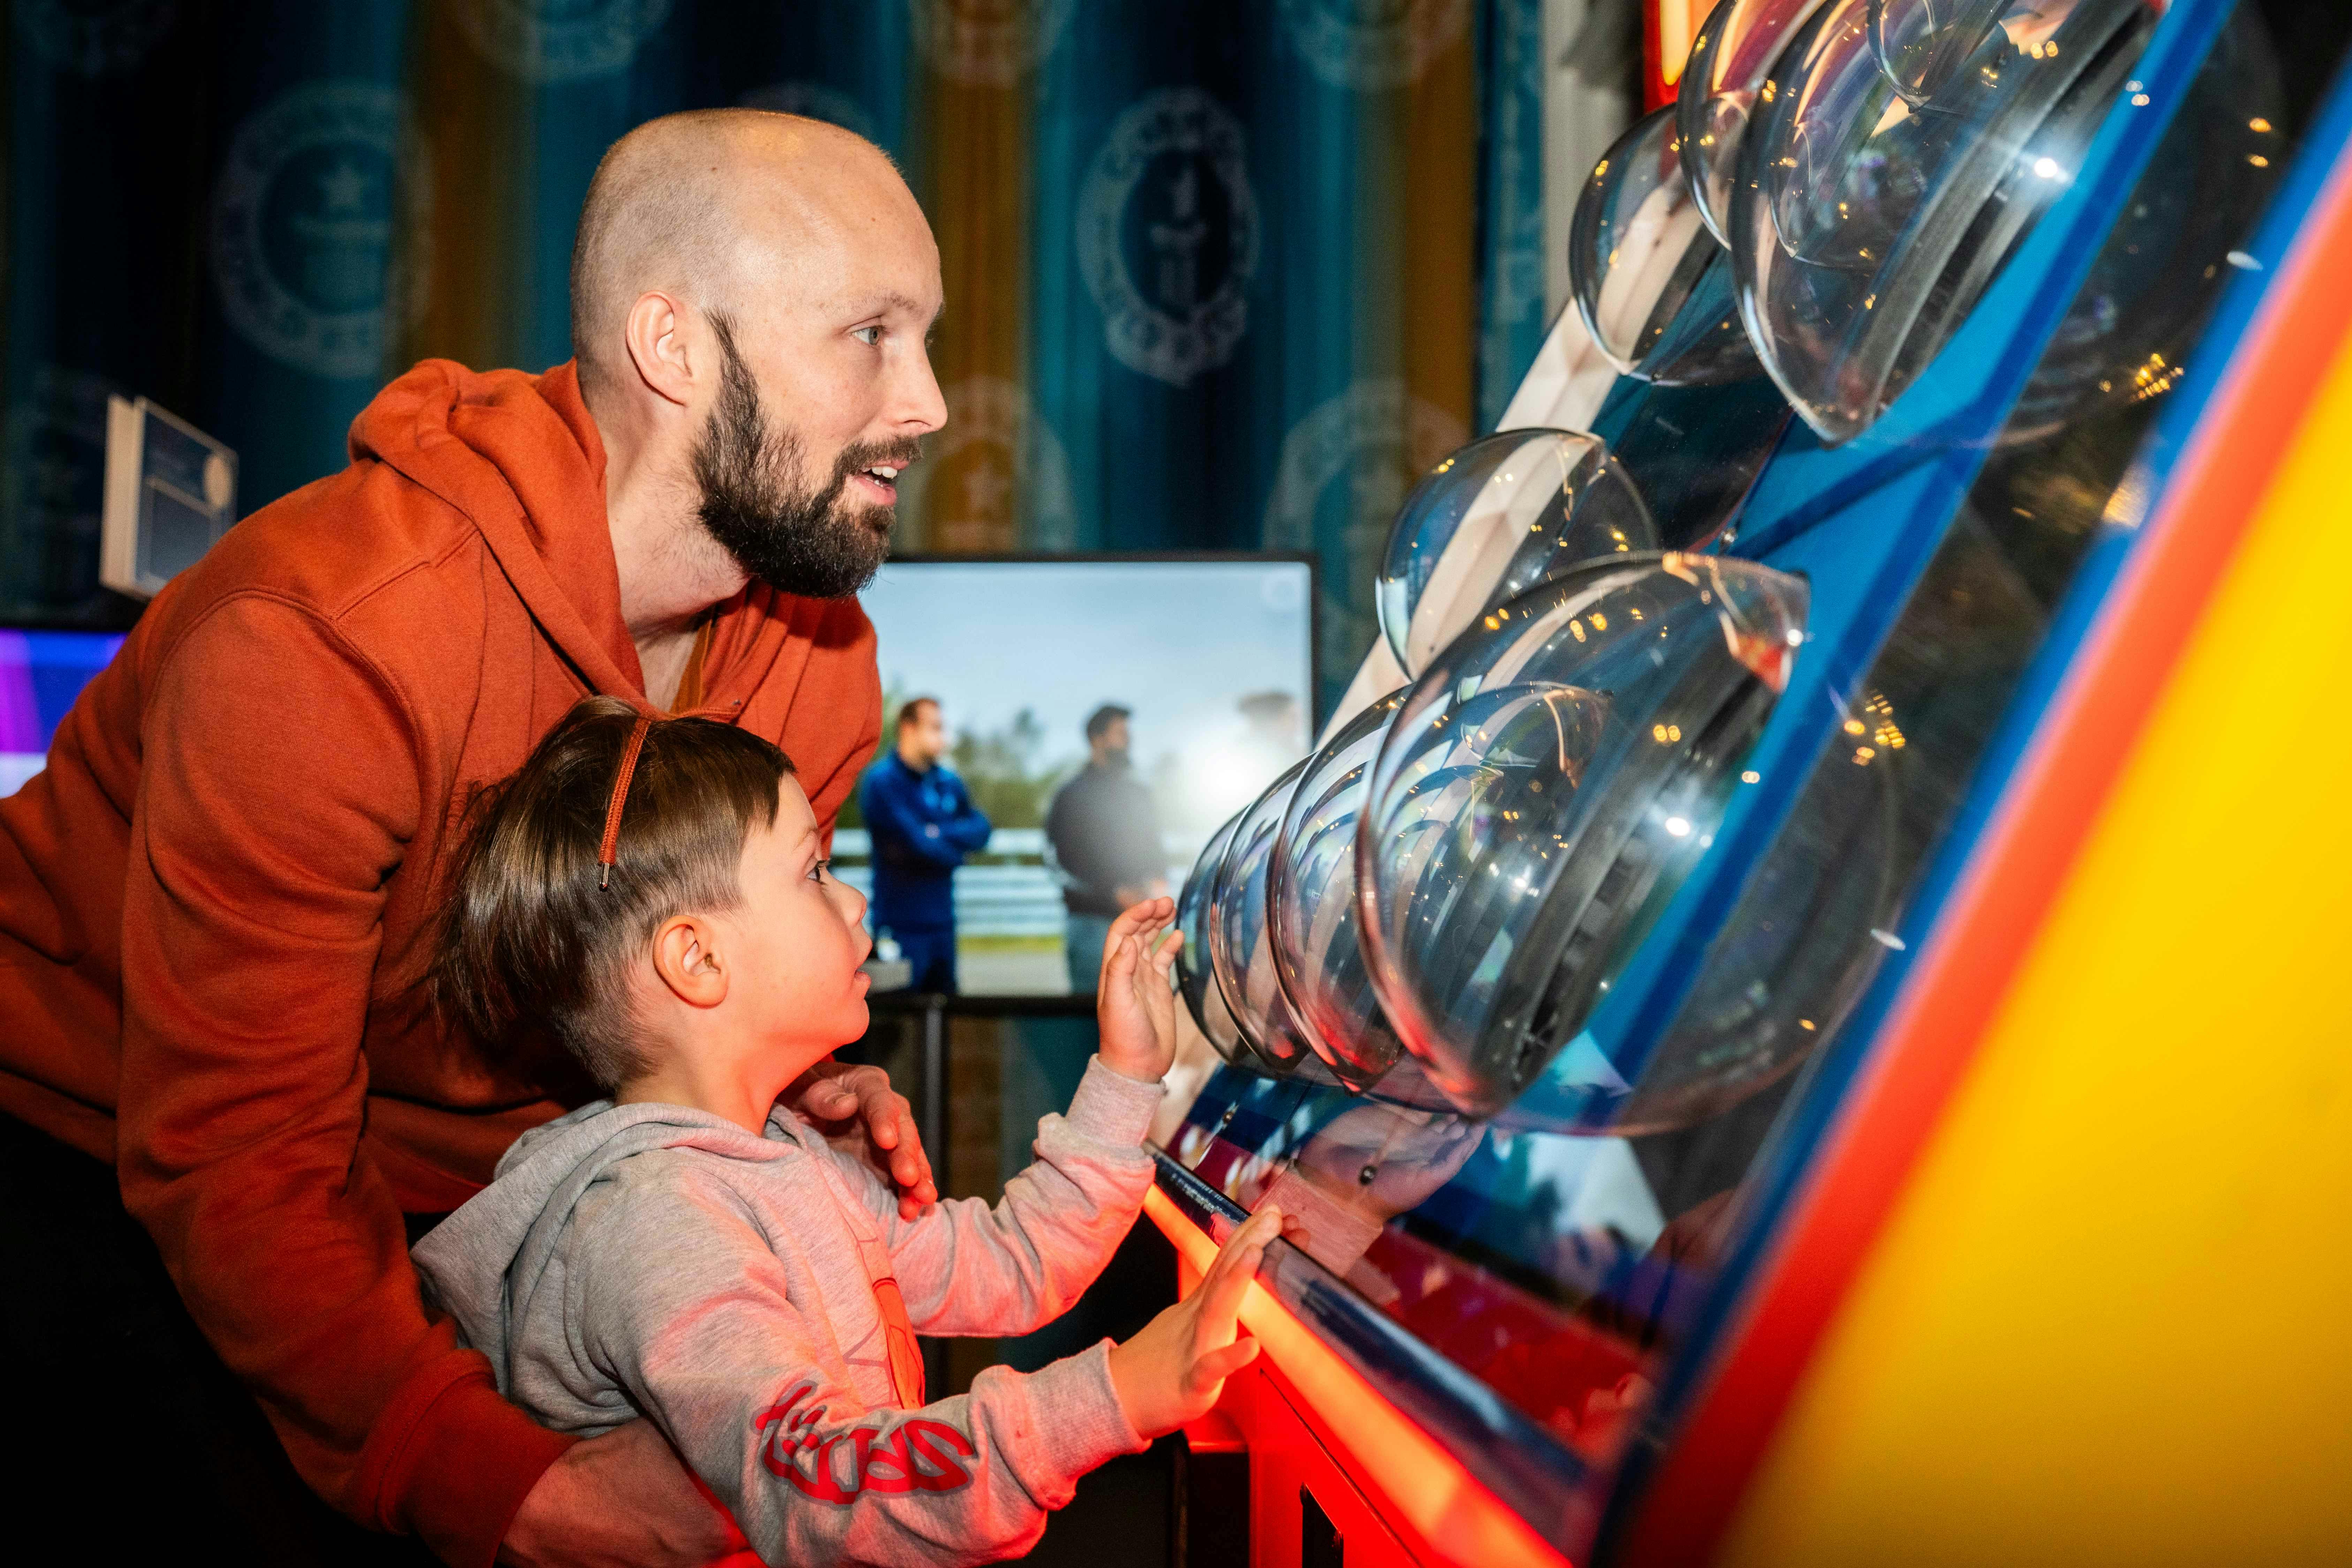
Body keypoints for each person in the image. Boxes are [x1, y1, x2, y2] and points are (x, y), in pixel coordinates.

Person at [0, 110, 951, 1567]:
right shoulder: (326, 635)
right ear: (677, 348)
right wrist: (500, 1484)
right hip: (94, 1149)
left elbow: (654, 982)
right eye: (873, 336)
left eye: (927, 338)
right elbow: (240, 1157)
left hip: (472, 1186)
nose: (931, 402)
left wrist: (779, 1073)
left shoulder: (823, 662)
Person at [412, 699, 1284, 1566]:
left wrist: (1125, 1074)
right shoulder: (660, 1223)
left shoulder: (789, 1158)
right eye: (814, 871)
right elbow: (824, 1491)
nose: (857, 898)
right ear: (699, 961)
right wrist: (1116, 1393)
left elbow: (1011, 1267)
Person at [860, 696, 992, 991]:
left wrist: (936, 833)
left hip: (943, 923)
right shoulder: (882, 782)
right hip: (900, 923)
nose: (943, 738)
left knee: (945, 1010)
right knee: (901, 1015)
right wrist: (956, 852)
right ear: (908, 729)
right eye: (935, 728)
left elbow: (982, 828)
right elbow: (916, 844)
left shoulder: (948, 781)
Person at [1044, 704, 1169, 992]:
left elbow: (1153, 849)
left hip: (1138, 924)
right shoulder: (1071, 794)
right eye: (1120, 733)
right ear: (1097, 739)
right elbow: (1055, 862)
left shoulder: (1139, 794)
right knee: (1093, 1018)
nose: (1128, 740)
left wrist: (1157, 885)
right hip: (1091, 926)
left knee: (1139, 1016)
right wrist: (1113, 893)